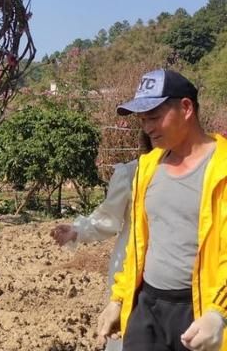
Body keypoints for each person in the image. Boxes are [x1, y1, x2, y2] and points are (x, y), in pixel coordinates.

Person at [97, 69, 227, 351]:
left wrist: (220, 314)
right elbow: (138, 243)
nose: (148, 128)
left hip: (199, 313)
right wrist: (118, 299)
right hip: (148, 307)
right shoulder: (147, 168)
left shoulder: (223, 169)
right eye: (143, 120)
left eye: (154, 117)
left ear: (186, 108)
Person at [50, 133, 152, 351]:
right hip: (130, 268)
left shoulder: (199, 171)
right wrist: (77, 230)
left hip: (176, 274)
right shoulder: (131, 173)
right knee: (125, 332)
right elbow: (110, 218)